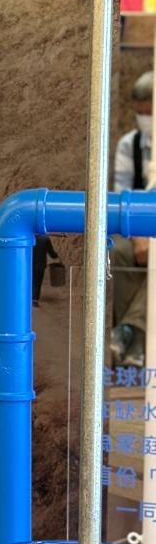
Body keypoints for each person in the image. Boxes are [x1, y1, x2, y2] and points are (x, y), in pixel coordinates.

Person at [110, 69, 152, 367]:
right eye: (141, 113)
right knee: (119, 253)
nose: (145, 119)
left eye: (150, 112)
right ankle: (130, 347)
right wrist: (139, 235)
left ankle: (132, 332)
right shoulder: (130, 145)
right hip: (137, 229)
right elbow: (121, 196)